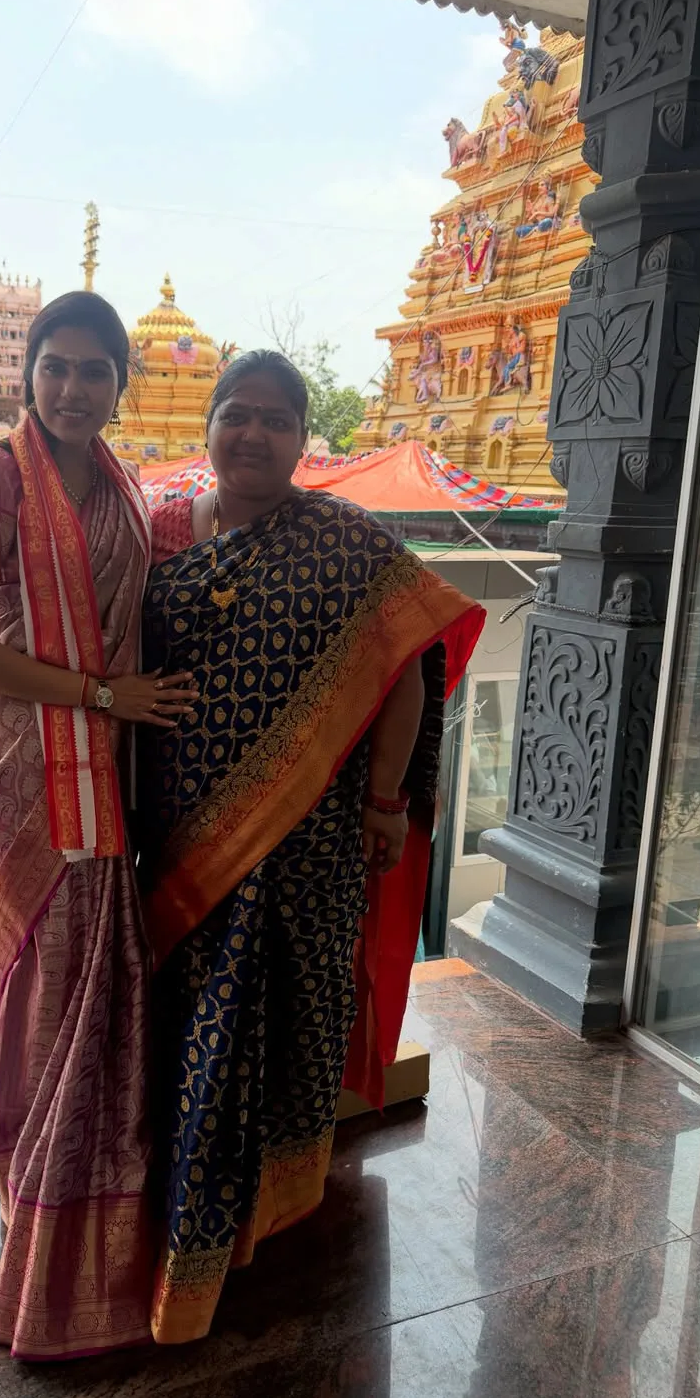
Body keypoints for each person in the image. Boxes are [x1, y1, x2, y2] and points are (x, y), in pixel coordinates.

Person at [138, 350, 485, 1344]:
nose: (252, 435)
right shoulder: (163, 532)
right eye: (235, 415)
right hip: (178, 833)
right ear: (208, 426)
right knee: (187, 1027)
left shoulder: (347, 543)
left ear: (302, 440)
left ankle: (242, 1224)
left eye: (276, 421)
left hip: (305, 838)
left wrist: (384, 804)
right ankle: (190, 1211)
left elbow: (411, 667)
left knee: (271, 1023)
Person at [0, 291, 197, 1361]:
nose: (73, 388)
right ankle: (35, 1186)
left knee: (83, 977)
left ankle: (68, 1191)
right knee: (54, 968)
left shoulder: (121, 484)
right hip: (24, 750)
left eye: (95, 370)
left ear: (122, 382)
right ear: (27, 372)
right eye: (56, 367)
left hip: (100, 755)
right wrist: (105, 699)